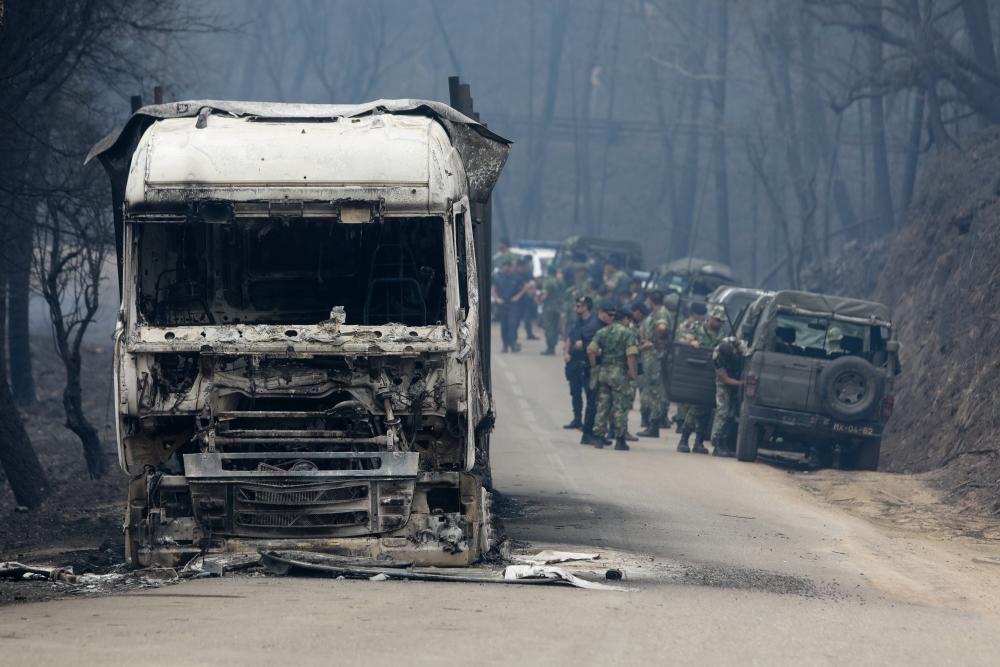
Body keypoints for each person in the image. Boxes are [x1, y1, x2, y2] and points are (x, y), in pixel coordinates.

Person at [587, 302, 639, 451]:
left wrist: (594, 365)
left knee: (602, 405)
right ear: (625, 319)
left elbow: (591, 350)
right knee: (620, 407)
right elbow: (631, 355)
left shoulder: (603, 331)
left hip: (604, 372)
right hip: (619, 374)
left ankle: (599, 439)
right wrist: (632, 372)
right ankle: (620, 440)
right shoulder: (628, 333)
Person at [676, 303, 722, 454]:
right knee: (695, 408)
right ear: (710, 318)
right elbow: (681, 341)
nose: (719, 323)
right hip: (695, 372)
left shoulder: (720, 334)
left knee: (707, 409)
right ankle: (684, 440)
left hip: (710, 374)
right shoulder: (696, 328)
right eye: (717, 320)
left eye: (721, 321)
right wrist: (691, 342)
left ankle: (699, 442)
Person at [564, 296, 602, 442]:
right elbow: (569, 338)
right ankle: (577, 418)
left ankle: (588, 424)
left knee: (590, 394)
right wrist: (566, 352)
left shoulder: (594, 324)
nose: (577, 308)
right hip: (573, 361)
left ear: (586, 307)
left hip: (586, 361)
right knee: (575, 392)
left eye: (579, 306)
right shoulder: (576, 322)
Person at [711, 335, 746, 457]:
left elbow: (746, 352)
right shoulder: (717, 358)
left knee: (731, 414)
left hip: (736, 375)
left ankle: (725, 443)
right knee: (722, 412)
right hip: (725, 382)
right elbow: (725, 380)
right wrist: (742, 384)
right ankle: (716, 444)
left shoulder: (734, 342)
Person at [637, 314, 671, 438]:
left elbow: (662, 327)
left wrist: (653, 341)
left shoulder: (658, 316)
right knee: (652, 395)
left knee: (655, 395)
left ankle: (654, 426)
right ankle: (652, 424)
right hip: (651, 365)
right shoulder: (650, 318)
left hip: (655, 366)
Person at [491, 259, 522, 353]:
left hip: (513, 304)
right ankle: (505, 345)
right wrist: (496, 298)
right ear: (503, 268)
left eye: (509, 267)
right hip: (503, 304)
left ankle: (512, 344)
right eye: (505, 267)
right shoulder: (498, 277)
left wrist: (518, 296)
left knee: (512, 324)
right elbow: (493, 288)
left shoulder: (516, 277)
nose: (507, 269)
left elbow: (525, 287)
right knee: (504, 326)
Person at [537, 264, 566, 355]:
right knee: (555, 327)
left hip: (549, 308)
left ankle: (550, 348)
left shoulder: (548, 281)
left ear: (548, 272)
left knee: (549, 327)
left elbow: (545, 294)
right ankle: (553, 346)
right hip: (559, 308)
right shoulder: (561, 282)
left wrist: (540, 300)